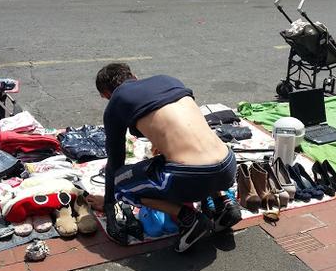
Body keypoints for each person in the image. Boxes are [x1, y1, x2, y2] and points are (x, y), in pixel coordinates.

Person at [86, 63, 241, 252]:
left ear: (106, 95)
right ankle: (224, 202)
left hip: (192, 177)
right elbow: (185, 125)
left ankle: (188, 218)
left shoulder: (116, 102)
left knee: (120, 183)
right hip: (228, 165)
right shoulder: (168, 80)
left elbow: (115, 163)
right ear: (134, 76)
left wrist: (109, 202)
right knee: (196, 155)